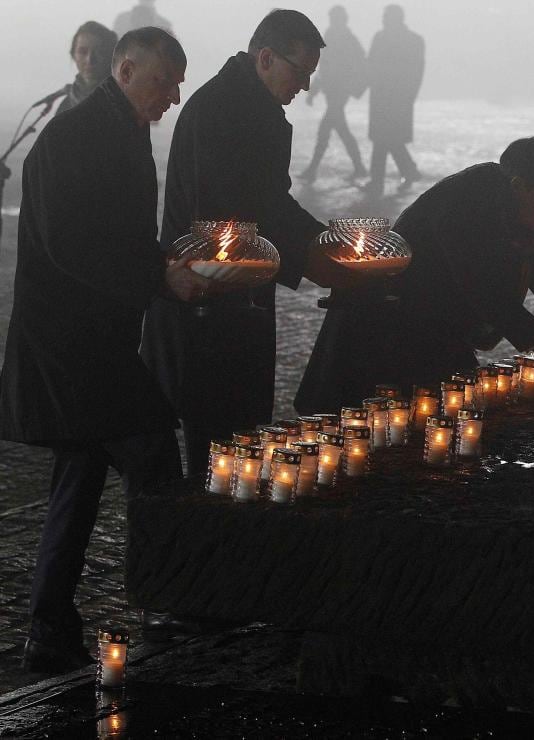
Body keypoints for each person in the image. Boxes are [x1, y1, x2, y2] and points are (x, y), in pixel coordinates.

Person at [0, 27, 209, 674]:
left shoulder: (120, 128)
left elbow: (119, 231)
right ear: (124, 69)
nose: (173, 97)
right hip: (73, 347)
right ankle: (165, 600)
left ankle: (49, 625)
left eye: (177, 85)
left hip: (90, 342)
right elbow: (75, 242)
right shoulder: (76, 135)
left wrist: (161, 260)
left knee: (81, 475)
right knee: (152, 458)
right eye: (163, 82)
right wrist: (158, 275)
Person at [141, 9, 359, 484]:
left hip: (241, 300)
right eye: (299, 71)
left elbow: (272, 204)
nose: (304, 85)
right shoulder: (219, 110)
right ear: (265, 57)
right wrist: (313, 258)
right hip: (206, 304)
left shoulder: (258, 112)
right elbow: (229, 221)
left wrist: (328, 242)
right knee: (215, 448)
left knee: (235, 438)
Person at [295, 135, 534, 413]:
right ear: (519, 184)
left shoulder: (520, 207)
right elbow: (480, 287)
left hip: (436, 328)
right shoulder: (466, 202)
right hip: (388, 328)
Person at [298, 5, 369, 182]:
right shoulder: (331, 37)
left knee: (325, 130)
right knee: (340, 129)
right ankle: (359, 167)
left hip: (340, 91)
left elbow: (362, 65)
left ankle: (312, 170)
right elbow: (324, 67)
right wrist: (314, 90)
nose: (333, 21)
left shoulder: (348, 40)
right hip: (333, 90)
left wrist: (354, 86)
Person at [364, 4, 424, 198]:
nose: (383, 19)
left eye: (386, 16)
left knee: (384, 140)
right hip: (394, 99)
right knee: (388, 139)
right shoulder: (414, 40)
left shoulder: (382, 38)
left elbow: (371, 66)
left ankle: (379, 181)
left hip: (390, 98)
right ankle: (407, 171)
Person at [56, 21, 119, 116]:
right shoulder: (66, 105)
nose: (90, 59)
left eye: (98, 51)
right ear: (73, 55)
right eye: (82, 51)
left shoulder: (124, 102)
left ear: (111, 55)